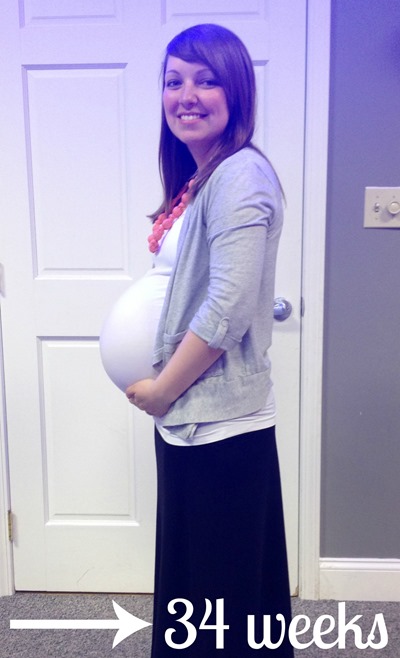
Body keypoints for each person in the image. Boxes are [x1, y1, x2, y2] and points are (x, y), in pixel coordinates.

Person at [103, 22, 294, 657]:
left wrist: (162, 390)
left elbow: (228, 309)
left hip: (218, 422)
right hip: (193, 416)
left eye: (207, 81)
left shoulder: (240, 175)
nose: (186, 95)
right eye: (174, 81)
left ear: (236, 91)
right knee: (200, 593)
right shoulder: (205, 176)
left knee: (223, 603)